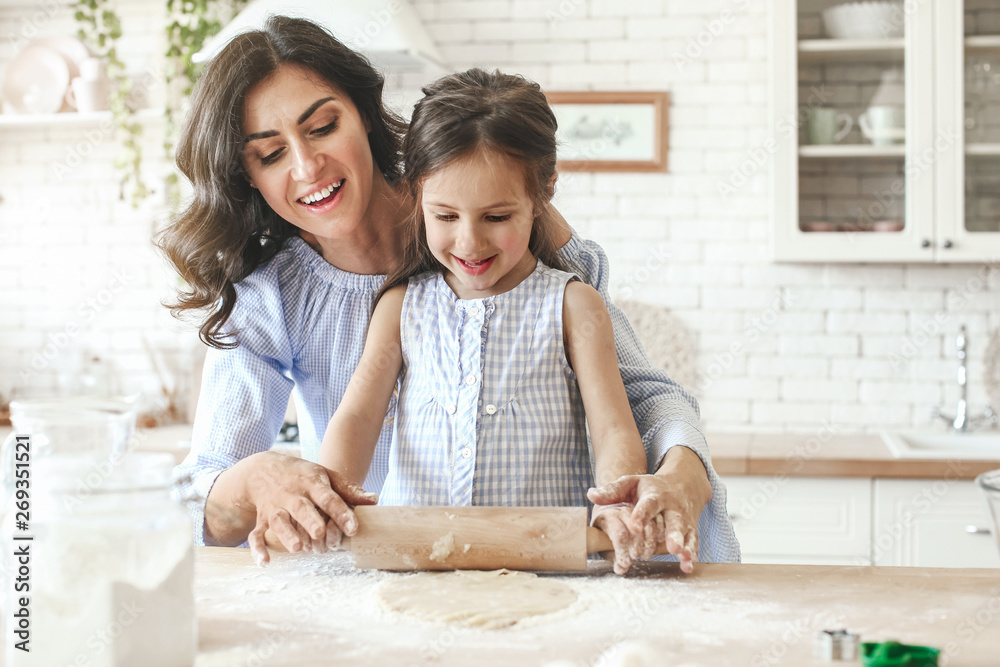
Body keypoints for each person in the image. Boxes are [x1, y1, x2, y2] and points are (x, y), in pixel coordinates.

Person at [159, 15, 739, 574]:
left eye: (322, 127)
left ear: (365, 117)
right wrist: (259, 481)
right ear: (248, 176)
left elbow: (636, 397)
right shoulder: (273, 297)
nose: (308, 165)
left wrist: (684, 474)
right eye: (270, 153)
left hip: (544, 556)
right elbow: (204, 484)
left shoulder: (484, 221)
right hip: (384, 568)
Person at [318, 70, 651, 557]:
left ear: (543, 196)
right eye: (446, 216)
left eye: (497, 217)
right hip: (416, 558)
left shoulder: (573, 305)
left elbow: (614, 429)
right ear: (417, 196)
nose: (470, 242)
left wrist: (616, 502)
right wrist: (330, 494)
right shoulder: (401, 307)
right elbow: (357, 419)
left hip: (541, 558)